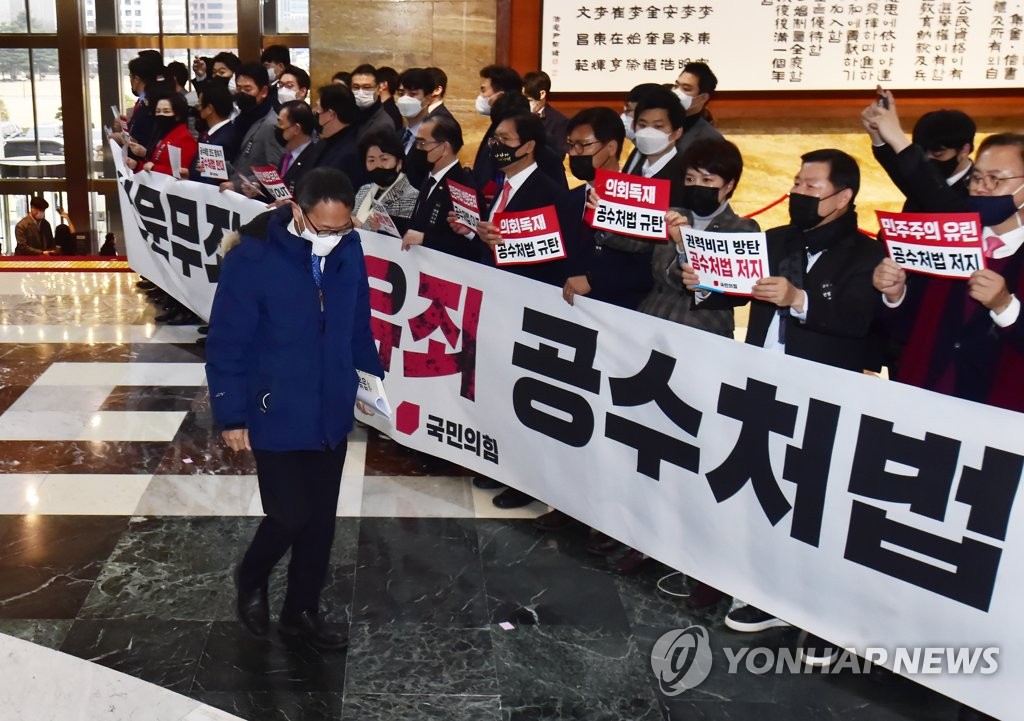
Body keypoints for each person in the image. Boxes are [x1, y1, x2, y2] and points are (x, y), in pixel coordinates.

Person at [683, 149, 886, 664]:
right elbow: (733, 289)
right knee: (763, 483)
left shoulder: (866, 255)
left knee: (811, 497)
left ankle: (816, 606)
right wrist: (705, 284)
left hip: (821, 390)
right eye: (797, 183)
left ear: (843, 197)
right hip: (762, 381)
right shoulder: (777, 239)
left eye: (811, 187)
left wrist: (800, 300)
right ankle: (764, 585)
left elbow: (862, 322)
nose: (798, 192)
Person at [206, 167, 384, 650]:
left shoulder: (349, 249)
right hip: (275, 406)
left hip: (330, 406)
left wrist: (370, 382)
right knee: (288, 515)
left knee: (321, 520)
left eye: (341, 228)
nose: (332, 237)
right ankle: (252, 575)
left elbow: (357, 322)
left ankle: (300, 612)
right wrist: (232, 415)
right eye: (322, 228)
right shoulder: (254, 258)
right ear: (298, 211)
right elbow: (227, 342)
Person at [864, 92, 1024, 414]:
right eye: (977, 177)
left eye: (996, 179)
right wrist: (895, 295)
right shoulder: (949, 239)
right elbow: (905, 328)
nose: (983, 187)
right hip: (920, 403)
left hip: (997, 418)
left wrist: (1005, 307)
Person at [456, 113, 582, 510]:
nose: (496, 144)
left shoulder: (547, 192)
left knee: (524, 395)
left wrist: (502, 246)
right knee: (496, 388)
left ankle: (526, 478)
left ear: (528, 145)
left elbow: (550, 256)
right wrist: (478, 234)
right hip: (496, 300)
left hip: (527, 308)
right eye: (494, 137)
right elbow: (497, 246)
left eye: (505, 138)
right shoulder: (499, 186)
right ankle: (500, 462)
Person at [401, 115, 481, 260]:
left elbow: (471, 247)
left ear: (444, 147)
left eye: (422, 143)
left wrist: (426, 239)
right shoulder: (430, 177)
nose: (417, 149)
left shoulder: (464, 190)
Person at [221, 63, 282, 192]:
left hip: (253, 199)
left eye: (248, 89)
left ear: (264, 91)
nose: (242, 94)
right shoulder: (240, 119)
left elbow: (276, 170)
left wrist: (238, 185)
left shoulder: (271, 124)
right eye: (239, 89)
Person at [396, 67, 460, 188]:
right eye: (401, 94)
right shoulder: (401, 134)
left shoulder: (436, 133)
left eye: (413, 94)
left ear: (428, 98)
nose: (405, 99)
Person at [352, 131, 418, 234]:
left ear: (399, 163)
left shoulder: (411, 196)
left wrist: (361, 228)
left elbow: (398, 237)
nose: (378, 165)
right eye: (371, 160)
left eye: (384, 159)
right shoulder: (364, 190)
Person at [127, 94, 197, 177]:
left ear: (177, 115)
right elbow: (153, 163)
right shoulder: (162, 134)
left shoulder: (185, 138)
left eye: (166, 111)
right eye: (158, 111)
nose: (161, 115)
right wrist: (136, 166)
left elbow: (183, 173)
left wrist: (154, 168)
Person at [310, 83, 364, 186]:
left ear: (331, 114)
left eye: (318, 108)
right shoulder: (325, 143)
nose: (315, 111)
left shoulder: (350, 153)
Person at [669, 62, 725, 155]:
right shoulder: (662, 125)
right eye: (676, 86)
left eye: (686, 89)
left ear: (703, 98)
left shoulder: (711, 141)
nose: (677, 92)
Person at [191, 82, 240, 182]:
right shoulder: (208, 133)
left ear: (209, 109)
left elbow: (216, 177)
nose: (198, 108)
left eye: (200, 105)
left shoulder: (226, 138)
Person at [523, 70, 568, 161]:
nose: (524, 104)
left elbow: (559, 156)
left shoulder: (559, 121)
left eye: (529, 100)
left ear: (542, 94)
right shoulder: (516, 115)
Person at [350, 64, 400, 141]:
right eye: (356, 87)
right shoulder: (350, 115)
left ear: (378, 89)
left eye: (366, 87)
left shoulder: (384, 124)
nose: (360, 92)